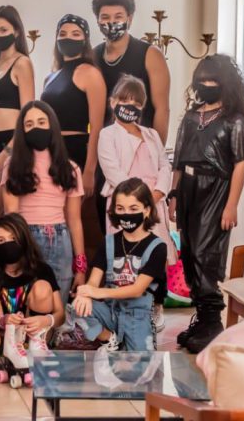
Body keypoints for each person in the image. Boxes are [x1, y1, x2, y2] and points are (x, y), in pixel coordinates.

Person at [169, 54, 244, 353]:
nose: (206, 84)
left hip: (216, 189)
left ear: (224, 83)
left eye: (212, 80)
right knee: (190, 252)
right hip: (188, 189)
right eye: (202, 80)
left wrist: (231, 205)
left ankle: (212, 323)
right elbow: (178, 160)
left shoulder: (235, 120)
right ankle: (203, 320)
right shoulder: (191, 117)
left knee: (207, 254)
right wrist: (174, 194)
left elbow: (240, 164)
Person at [97, 75, 176, 331]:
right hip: (126, 203)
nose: (130, 105)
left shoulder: (151, 134)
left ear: (142, 107)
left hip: (153, 203)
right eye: (124, 99)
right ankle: (122, 309)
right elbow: (112, 169)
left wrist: (157, 193)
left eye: (136, 102)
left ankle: (156, 304)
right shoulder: (108, 134)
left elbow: (164, 165)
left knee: (155, 254)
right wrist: (136, 200)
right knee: (125, 257)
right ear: (113, 102)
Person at [1, 101, 86, 303]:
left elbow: (74, 220)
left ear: (52, 125)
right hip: (26, 237)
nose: (36, 128)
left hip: (60, 238)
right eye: (29, 124)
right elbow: (11, 215)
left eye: (41, 122)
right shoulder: (12, 165)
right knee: (26, 300)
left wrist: (81, 266)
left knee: (59, 301)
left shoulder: (71, 168)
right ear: (22, 131)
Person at [71, 178, 167, 351]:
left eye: (133, 208)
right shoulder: (108, 242)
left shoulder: (158, 247)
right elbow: (93, 281)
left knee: (141, 365)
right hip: (109, 309)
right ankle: (109, 339)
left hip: (137, 317)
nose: (126, 214)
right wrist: (85, 294)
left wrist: (97, 292)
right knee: (76, 306)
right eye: (120, 208)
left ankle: (128, 345)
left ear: (146, 210)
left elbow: (137, 289)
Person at [0, 213, 64, 383]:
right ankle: (15, 357)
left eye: (13, 238)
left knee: (42, 287)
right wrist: (5, 320)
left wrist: (45, 320)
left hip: (37, 332)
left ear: (24, 238)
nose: (8, 244)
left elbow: (60, 315)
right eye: (1, 240)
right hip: (9, 336)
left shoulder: (42, 269)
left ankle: (35, 349)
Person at [0, 6, 35, 222]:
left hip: (8, 143)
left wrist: (6, 153)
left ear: (16, 31)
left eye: (3, 30)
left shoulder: (22, 63)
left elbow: (28, 116)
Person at [92, 0, 170, 142]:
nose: (111, 22)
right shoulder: (93, 56)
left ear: (130, 18)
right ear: (98, 21)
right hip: (105, 147)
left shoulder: (150, 55)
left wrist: (156, 149)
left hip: (141, 145)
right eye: (105, 17)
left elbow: (162, 109)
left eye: (118, 16)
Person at [40, 14, 106, 197]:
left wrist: (90, 171)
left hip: (75, 151)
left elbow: (97, 127)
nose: (68, 38)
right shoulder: (50, 77)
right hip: (48, 150)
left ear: (85, 40)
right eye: (62, 33)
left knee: (71, 211)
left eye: (75, 34)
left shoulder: (90, 73)